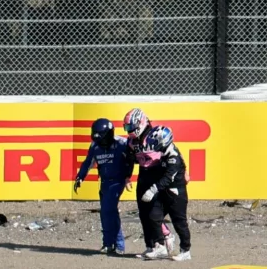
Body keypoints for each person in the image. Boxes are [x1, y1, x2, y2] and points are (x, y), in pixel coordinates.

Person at [124, 108, 190, 261]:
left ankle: (166, 242)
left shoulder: (156, 136)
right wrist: (128, 176)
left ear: (140, 123)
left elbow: (175, 154)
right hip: (144, 174)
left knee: (156, 212)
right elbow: (129, 159)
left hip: (158, 175)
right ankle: (151, 245)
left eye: (130, 127)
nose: (129, 131)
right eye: (127, 128)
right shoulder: (131, 142)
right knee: (143, 213)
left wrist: (184, 170)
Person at [73, 118, 134, 255]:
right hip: (104, 182)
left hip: (117, 181)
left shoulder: (122, 143)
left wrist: (127, 177)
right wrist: (80, 177)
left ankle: (119, 245)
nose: (100, 142)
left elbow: (131, 160)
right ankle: (108, 244)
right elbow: (88, 162)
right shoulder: (94, 146)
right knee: (106, 213)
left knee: (109, 210)